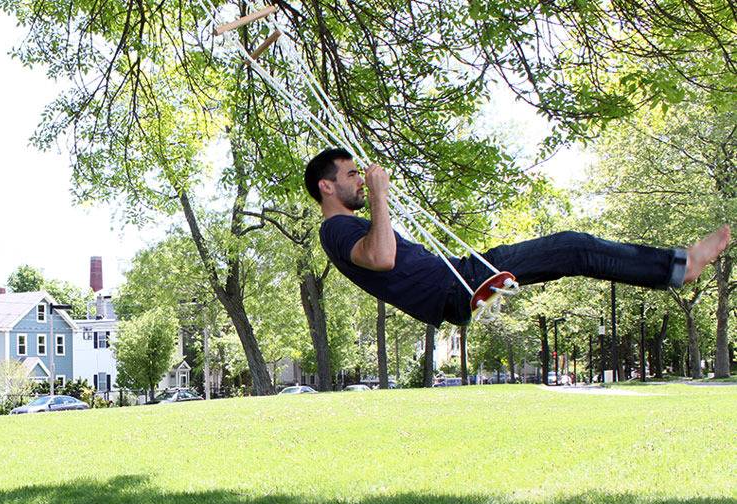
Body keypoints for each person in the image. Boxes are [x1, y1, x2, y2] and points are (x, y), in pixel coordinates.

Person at [304, 148, 731, 327]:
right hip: (456, 285)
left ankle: (677, 267)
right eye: (352, 175)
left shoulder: (344, 226)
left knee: (573, 255)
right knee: (573, 246)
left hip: (460, 277)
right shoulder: (337, 229)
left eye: (361, 175)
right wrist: (380, 197)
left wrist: (375, 198)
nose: (361, 180)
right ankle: (681, 265)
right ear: (327, 187)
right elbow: (380, 258)